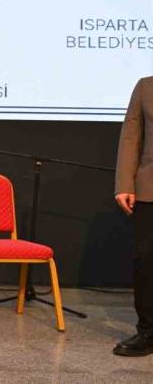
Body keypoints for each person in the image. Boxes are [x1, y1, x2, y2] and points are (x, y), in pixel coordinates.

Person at [113, 76, 153, 356]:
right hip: (149, 188)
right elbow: (131, 136)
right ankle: (148, 331)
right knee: (146, 261)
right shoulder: (146, 87)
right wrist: (125, 183)